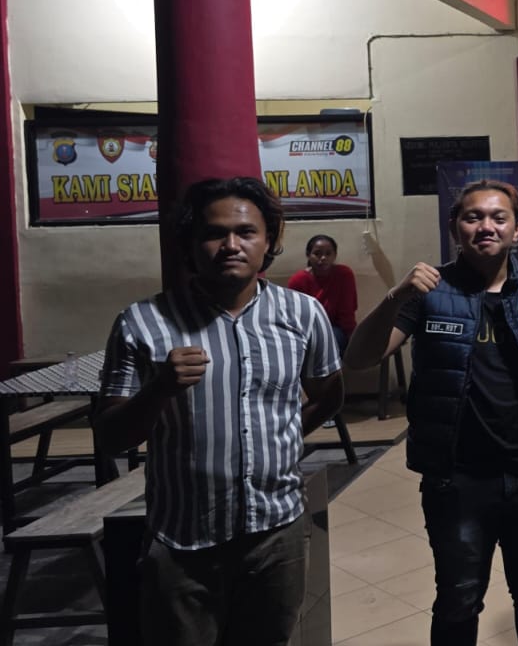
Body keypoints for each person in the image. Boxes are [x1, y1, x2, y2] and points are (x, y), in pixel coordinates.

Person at [95, 176, 344, 646]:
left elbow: (329, 395)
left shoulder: (303, 314)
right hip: (183, 542)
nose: (231, 245)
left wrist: (284, 438)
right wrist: (159, 389)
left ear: (268, 241)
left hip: (278, 536)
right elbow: (110, 437)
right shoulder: (142, 323)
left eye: (246, 231)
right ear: (190, 244)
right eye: (214, 233)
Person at [343, 179, 518, 646]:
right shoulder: (429, 290)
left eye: (498, 217)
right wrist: (395, 295)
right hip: (457, 480)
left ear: (517, 229)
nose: (486, 226)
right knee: (458, 598)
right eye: (473, 217)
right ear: (455, 227)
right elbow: (359, 358)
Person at [286, 234, 358, 350]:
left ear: (335, 256)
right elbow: (294, 316)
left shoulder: (344, 275)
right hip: (306, 330)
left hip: (335, 329)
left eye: (328, 254)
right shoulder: (298, 280)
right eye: (317, 254)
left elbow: (347, 312)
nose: (323, 258)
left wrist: (353, 339)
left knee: (333, 339)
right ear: (308, 255)